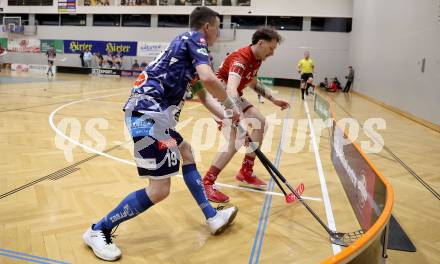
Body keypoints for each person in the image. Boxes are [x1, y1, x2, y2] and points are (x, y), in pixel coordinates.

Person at [82, 6, 240, 261]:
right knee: (159, 190)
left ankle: (212, 216)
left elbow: (204, 97)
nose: (218, 33)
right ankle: (98, 230)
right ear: (207, 26)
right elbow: (209, 78)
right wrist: (234, 107)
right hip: (146, 120)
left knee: (185, 150)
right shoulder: (193, 39)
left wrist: (228, 118)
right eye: (218, 27)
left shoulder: (186, 58)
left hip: (158, 125)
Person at [201, 27, 290, 203]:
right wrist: (239, 118)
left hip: (233, 96)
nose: (272, 53)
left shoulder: (257, 58)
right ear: (261, 43)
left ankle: (246, 171)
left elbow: (252, 82)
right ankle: (207, 183)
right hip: (221, 96)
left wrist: (272, 99)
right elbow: (231, 88)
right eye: (271, 48)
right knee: (236, 140)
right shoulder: (240, 59)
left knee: (260, 122)